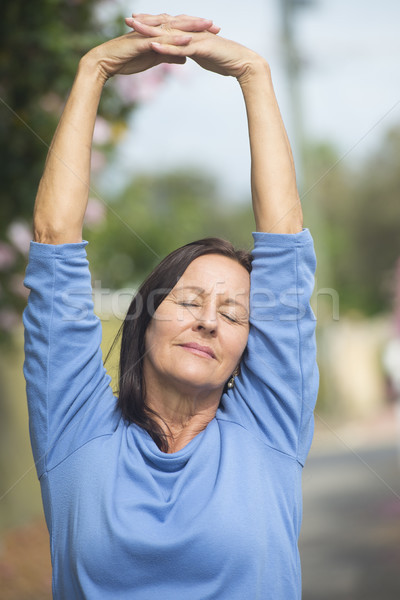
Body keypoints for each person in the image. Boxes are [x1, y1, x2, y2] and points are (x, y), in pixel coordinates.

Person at [23, 12, 319, 600]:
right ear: (145, 318)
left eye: (235, 314)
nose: (210, 319)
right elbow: (55, 237)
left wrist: (253, 74)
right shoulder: (74, 428)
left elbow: (284, 241)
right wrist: (94, 69)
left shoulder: (269, 428)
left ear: (248, 348)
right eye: (188, 301)